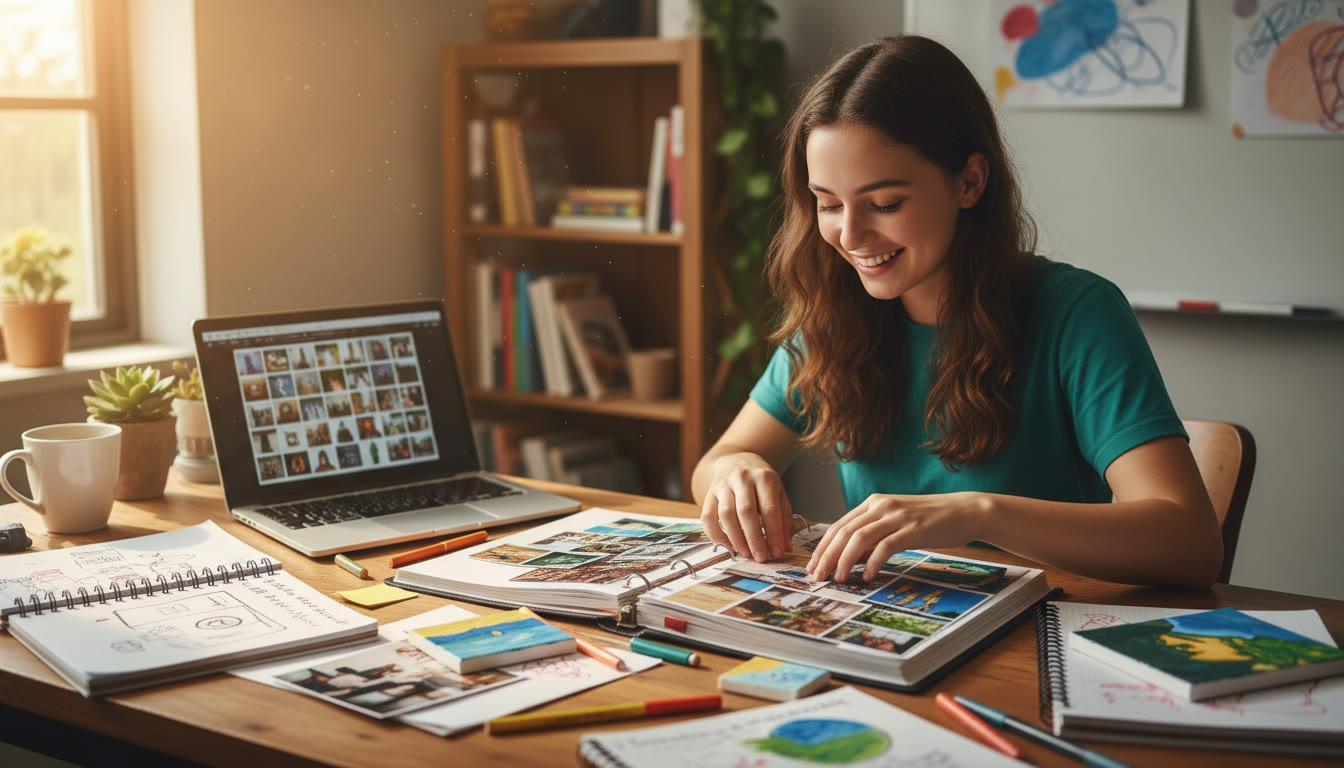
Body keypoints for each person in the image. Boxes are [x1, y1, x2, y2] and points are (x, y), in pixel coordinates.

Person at [691, 35, 1221, 588]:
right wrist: (734, 470)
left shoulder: (1077, 314)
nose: (849, 236)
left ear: (969, 181)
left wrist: (976, 513)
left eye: (885, 204)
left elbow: (1190, 542)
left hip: (1039, 637)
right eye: (827, 204)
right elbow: (717, 461)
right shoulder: (836, 314)